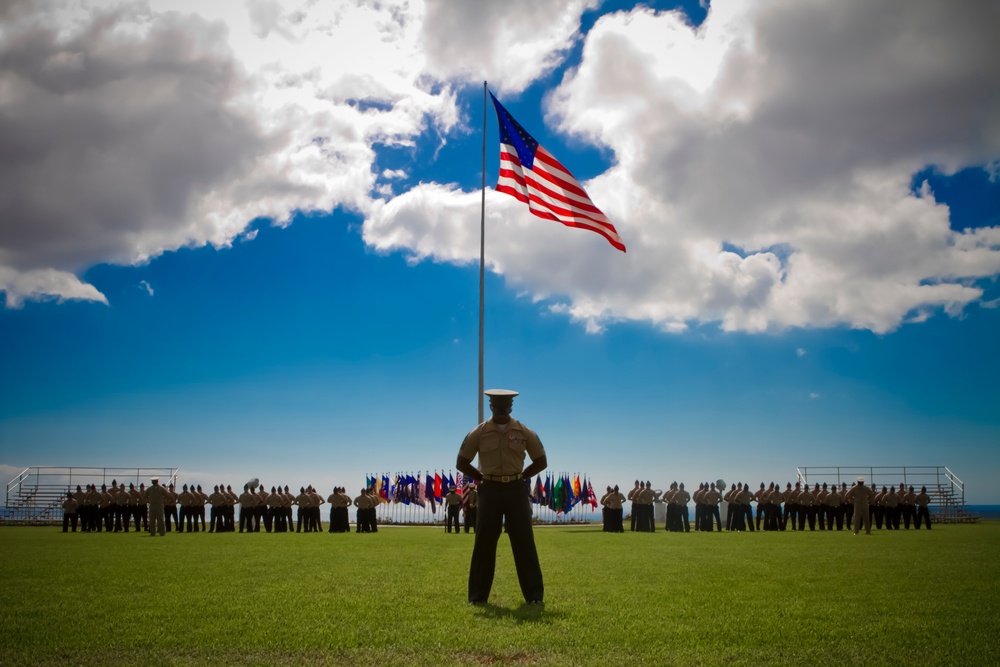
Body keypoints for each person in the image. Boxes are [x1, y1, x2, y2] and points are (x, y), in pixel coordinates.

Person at [456, 388, 547, 606]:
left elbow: (541, 461)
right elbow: (461, 462)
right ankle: (477, 598)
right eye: (497, 408)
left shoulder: (525, 432)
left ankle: (534, 597)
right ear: (491, 407)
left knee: (524, 542)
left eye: (505, 408)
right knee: (484, 543)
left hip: (516, 489)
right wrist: (481, 479)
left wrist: (522, 476)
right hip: (490, 490)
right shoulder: (479, 432)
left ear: (511, 408)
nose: (502, 412)